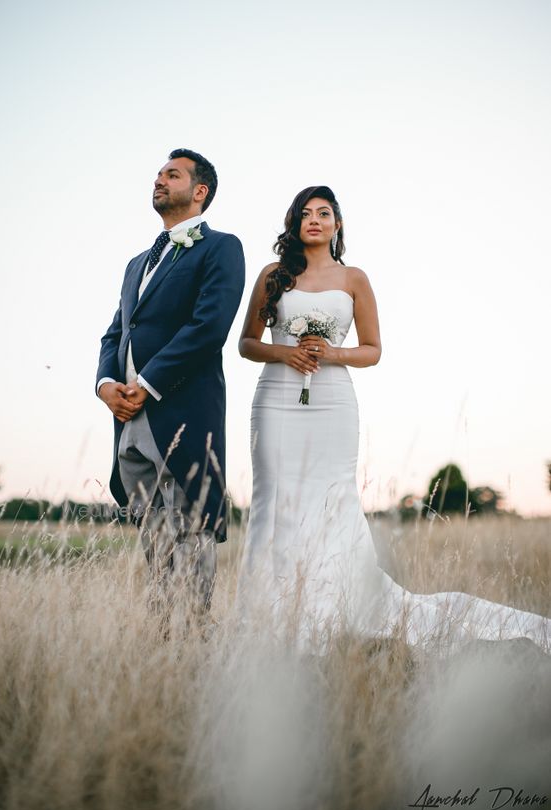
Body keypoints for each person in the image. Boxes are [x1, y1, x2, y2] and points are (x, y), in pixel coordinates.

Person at [235, 185, 550, 652]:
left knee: (331, 499)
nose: (314, 220)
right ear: (294, 224)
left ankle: (332, 609)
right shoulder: (274, 275)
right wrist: (285, 352)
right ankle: (265, 616)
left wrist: (332, 352)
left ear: (337, 225)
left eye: (324, 213)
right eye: (305, 214)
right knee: (273, 499)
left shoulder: (354, 279)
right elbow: (246, 343)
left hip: (333, 402)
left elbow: (374, 350)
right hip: (276, 398)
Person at [96, 148, 245, 629]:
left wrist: (150, 382)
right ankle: (163, 639)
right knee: (153, 535)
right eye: (159, 173)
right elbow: (116, 332)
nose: (159, 180)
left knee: (191, 528)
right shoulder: (136, 264)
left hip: (182, 412)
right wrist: (105, 385)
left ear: (199, 191)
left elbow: (209, 326)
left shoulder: (220, 247)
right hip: (129, 420)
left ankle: (193, 637)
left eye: (172, 174)